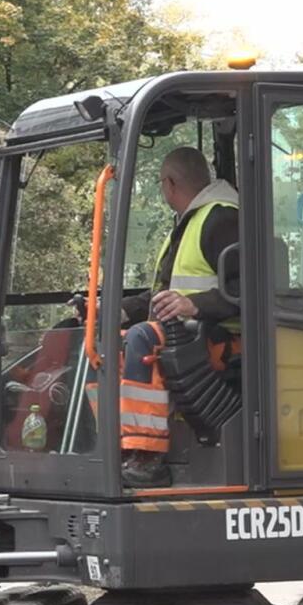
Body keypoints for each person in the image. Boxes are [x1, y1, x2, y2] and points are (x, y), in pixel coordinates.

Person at [118, 146, 241, 488]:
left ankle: (147, 458)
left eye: (161, 185)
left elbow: (250, 289)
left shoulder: (222, 220)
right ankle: (120, 445)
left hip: (224, 338)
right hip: (190, 332)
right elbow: (165, 293)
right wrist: (120, 310)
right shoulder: (190, 223)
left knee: (143, 338)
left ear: (169, 184)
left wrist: (194, 305)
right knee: (112, 341)